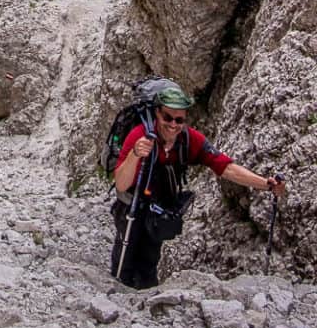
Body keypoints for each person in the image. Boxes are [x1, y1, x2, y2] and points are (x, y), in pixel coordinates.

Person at [111, 85, 286, 289]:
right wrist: (135, 154)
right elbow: (122, 183)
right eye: (168, 117)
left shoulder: (189, 139)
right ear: (157, 113)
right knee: (125, 260)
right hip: (131, 207)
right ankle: (118, 299)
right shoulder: (140, 136)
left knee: (149, 260)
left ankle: (142, 302)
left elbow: (225, 167)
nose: (173, 125)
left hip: (158, 210)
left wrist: (265, 184)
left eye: (179, 120)